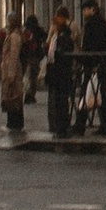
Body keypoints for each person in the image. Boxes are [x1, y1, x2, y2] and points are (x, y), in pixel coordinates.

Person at [79, 0, 106, 137]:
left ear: (92, 9)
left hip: (93, 64)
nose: (83, 13)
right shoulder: (103, 23)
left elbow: (91, 45)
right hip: (101, 63)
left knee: (88, 93)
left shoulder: (92, 24)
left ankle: (80, 125)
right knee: (100, 95)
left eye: (85, 10)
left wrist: (89, 62)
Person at [0, 12, 30, 139]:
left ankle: (15, 123)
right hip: (9, 68)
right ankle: (13, 122)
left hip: (12, 69)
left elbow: (14, 55)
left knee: (13, 96)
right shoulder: (13, 35)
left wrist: (11, 74)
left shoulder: (14, 36)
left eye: (8, 20)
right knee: (11, 96)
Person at [44, 7, 76, 140]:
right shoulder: (55, 36)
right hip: (54, 72)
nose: (53, 25)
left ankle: (62, 128)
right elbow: (48, 50)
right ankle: (57, 126)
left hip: (60, 73)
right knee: (56, 101)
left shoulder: (64, 36)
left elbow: (60, 54)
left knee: (61, 101)